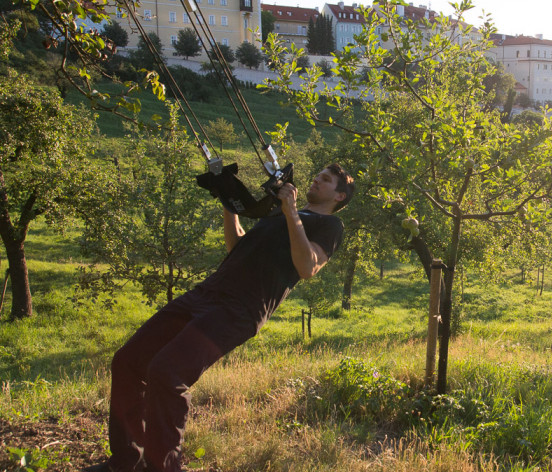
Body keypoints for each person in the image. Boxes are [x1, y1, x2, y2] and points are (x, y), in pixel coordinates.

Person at [85, 164, 355, 472]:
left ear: (339, 195)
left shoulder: (330, 225)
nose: (316, 180)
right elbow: (236, 246)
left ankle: (163, 466)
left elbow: (307, 267)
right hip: (207, 293)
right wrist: (230, 204)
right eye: (318, 175)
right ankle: (124, 460)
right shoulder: (276, 213)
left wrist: (291, 211)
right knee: (127, 360)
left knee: (167, 372)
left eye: (326, 180)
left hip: (239, 309)